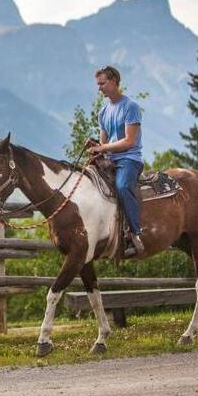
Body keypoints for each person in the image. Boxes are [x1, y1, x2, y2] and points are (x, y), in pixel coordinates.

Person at [86, 66, 145, 258]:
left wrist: (102, 148)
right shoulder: (103, 111)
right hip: (110, 160)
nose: (99, 88)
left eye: (102, 84)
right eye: (98, 84)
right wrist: (97, 147)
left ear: (113, 82)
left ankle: (135, 234)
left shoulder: (131, 107)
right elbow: (105, 142)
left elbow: (129, 141)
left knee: (122, 186)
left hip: (129, 159)